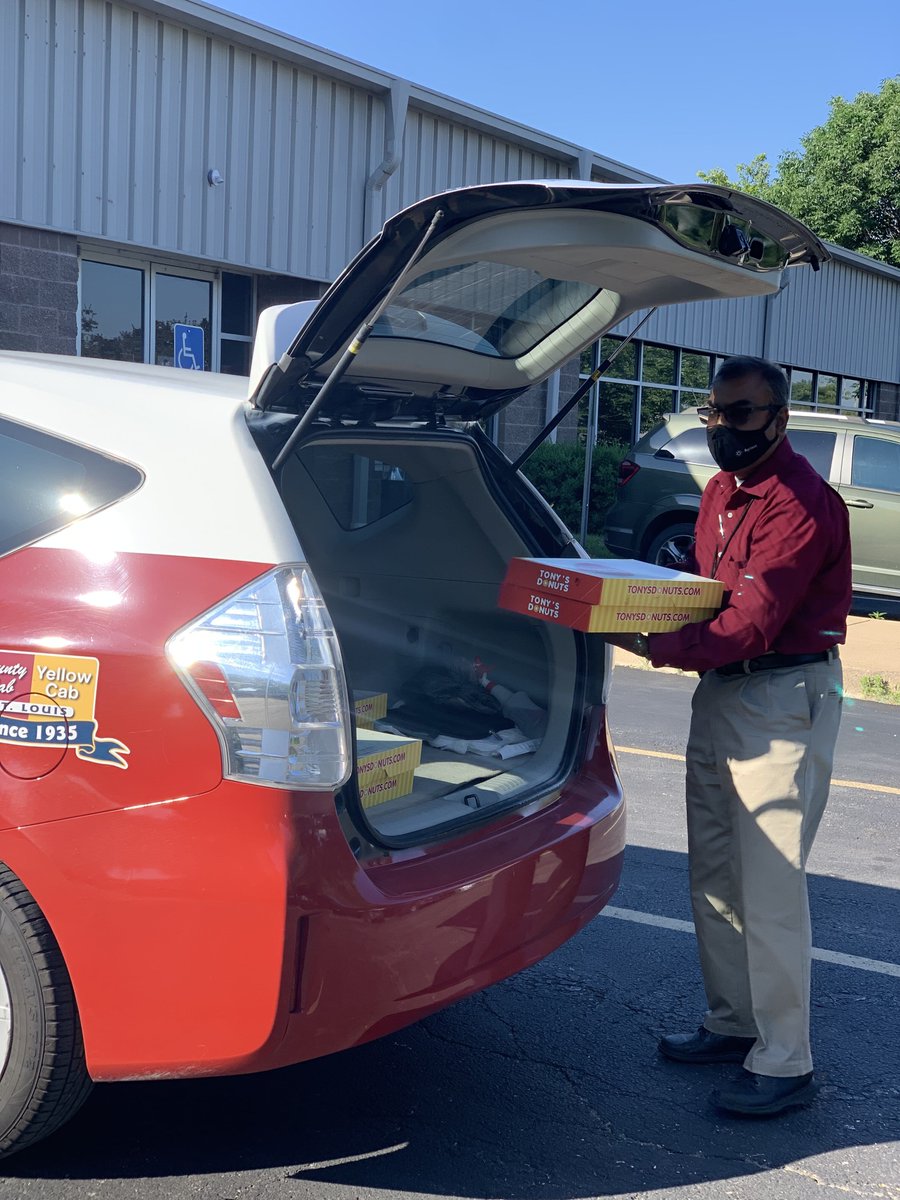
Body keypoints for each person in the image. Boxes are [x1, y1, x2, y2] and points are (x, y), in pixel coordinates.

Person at [610, 355, 852, 1117]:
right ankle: (733, 1021)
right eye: (715, 413)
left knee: (770, 883)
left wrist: (651, 642)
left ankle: (786, 1061)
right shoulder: (719, 491)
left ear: (778, 420)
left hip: (782, 693)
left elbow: (750, 621)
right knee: (715, 870)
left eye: (741, 415)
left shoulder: (801, 504)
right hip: (723, 691)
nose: (724, 429)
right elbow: (710, 590)